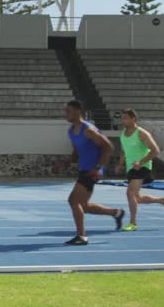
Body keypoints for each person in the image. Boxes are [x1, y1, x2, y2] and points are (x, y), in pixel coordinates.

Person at [65, 100, 125, 246]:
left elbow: (108, 147)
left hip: (92, 171)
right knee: (83, 206)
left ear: (78, 111)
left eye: (68, 111)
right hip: (83, 169)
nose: (65, 114)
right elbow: (77, 149)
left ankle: (82, 236)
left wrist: (98, 167)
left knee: (73, 201)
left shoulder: (89, 130)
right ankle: (116, 213)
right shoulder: (71, 131)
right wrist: (70, 159)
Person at [116, 109, 164, 232]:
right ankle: (163, 200)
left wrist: (140, 162)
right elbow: (124, 151)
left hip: (143, 167)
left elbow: (155, 150)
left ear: (133, 119)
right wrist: (120, 165)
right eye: (122, 118)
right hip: (131, 168)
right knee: (137, 198)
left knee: (129, 193)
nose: (123, 120)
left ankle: (133, 223)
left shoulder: (141, 133)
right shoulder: (123, 133)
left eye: (125, 118)